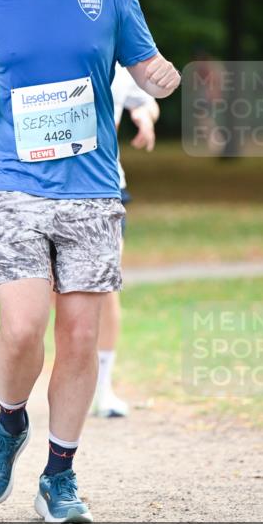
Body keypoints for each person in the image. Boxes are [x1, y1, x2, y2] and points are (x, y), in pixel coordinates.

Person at [0, 0, 180, 522]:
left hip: (90, 187)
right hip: (11, 180)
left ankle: (59, 474)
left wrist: (163, 80)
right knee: (23, 328)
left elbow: (147, 68)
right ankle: (8, 422)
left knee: (80, 338)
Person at [92, 63, 159, 418]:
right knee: (59, 294)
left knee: (105, 289)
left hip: (107, 187)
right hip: (49, 189)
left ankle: (103, 388)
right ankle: (74, 378)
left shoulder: (118, 62)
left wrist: (144, 117)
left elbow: (145, 99)